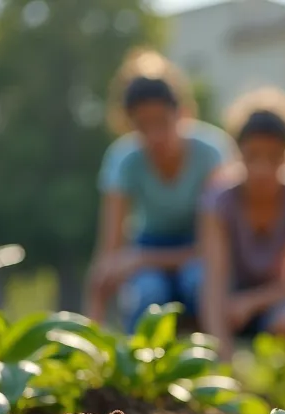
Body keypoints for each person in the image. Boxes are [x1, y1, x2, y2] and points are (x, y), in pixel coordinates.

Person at [87, 48, 232, 331]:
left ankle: (213, 367)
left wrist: (140, 259)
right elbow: (110, 250)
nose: (154, 136)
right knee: (149, 294)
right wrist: (92, 326)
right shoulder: (123, 160)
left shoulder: (212, 153)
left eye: (162, 123)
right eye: (143, 125)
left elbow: (213, 247)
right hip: (148, 244)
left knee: (199, 283)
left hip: (198, 248)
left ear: (182, 114)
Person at [192, 87, 285, 361]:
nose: (262, 169)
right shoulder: (219, 200)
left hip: (275, 303)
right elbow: (213, 280)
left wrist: (252, 302)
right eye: (253, 156)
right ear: (238, 153)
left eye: (273, 158)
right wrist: (223, 354)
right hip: (229, 301)